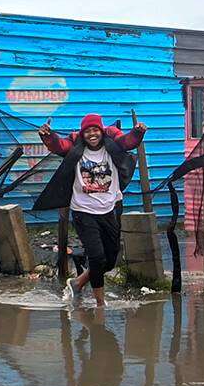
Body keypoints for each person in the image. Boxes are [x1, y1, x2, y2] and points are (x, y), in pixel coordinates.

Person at [35, 113, 146, 307]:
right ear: (83, 133)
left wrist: (137, 132)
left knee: (110, 260)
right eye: (88, 131)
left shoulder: (112, 143)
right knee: (96, 256)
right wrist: (48, 136)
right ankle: (100, 304)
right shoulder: (76, 146)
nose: (92, 134)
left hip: (109, 209)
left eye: (95, 130)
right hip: (84, 211)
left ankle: (77, 283)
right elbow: (59, 146)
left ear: (101, 131)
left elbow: (128, 142)